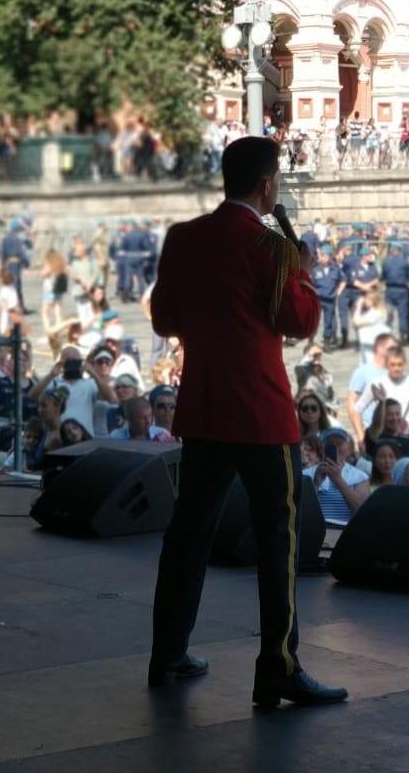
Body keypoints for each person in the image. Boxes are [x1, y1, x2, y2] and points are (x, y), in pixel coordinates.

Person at [148, 136, 346, 708]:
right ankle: (277, 666)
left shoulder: (183, 239)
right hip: (261, 414)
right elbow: (303, 321)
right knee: (279, 543)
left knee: (187, 536)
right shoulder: (274, 249)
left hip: (205, 409)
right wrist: (303, 270)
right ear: (266, 186)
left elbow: (164, 319)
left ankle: (167, 652)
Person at [303, 426, 369, 524]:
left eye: (339, 443)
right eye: (330, 443)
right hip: (316, 532)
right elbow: (299, 509)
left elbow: (362, 512)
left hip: (346, 532)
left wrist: (338, 480)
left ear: (349, 449)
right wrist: (316, 483)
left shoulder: (360, 477)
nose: (335, 446)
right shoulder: (306, 474)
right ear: (322, 448)